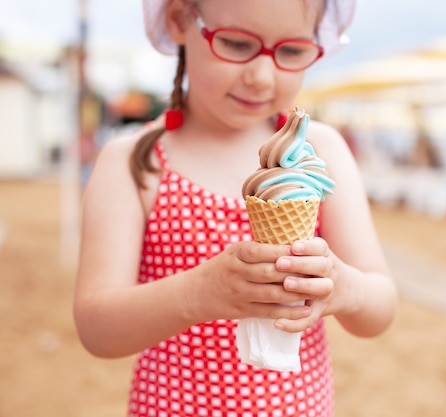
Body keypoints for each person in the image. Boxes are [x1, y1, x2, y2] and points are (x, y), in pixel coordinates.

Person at [73, 0, 397, 416]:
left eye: (293, 50)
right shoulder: (136, 161)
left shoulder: (321, 152)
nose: (261, 76)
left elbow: (381, 308)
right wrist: (199, 294)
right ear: (178, 19)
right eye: (237, 44)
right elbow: (96, 330)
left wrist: (342, 286)